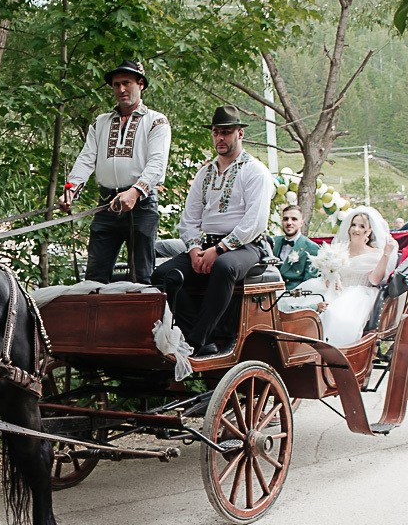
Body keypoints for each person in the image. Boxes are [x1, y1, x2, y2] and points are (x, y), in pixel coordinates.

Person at [150, 105, 272, 356]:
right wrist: (195, 250)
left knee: (224, 267)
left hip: (246, 245)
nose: (220, 138)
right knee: (162, 275)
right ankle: (197, 335)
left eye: (226, 132)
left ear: (240, 134)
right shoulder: (204, 173)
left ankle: (197, 340)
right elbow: (189, 219)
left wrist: (220, 249)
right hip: (207, 244)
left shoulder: (255, 171)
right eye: (216, 132)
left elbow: (255, 222)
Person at [59, 59, 171, 284]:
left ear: (140, 84)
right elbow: (86, 159)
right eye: (116, 84)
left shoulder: (156, 121)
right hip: (106, 205)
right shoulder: (100, 122)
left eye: (126, 83)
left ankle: (142, 309)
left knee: (141, 277)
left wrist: (135, 192)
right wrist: (71, 190)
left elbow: (157, 163)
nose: (121, 89)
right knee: (94, 278)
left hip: (141, 205)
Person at [317, 206, 398, 347]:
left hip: (359, 295)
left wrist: (386, 254)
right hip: (336, 291)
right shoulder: (338, 250)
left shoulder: (375, 253)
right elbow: (328, 277)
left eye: (361, 226)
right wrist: (331, 278)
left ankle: (337, 349)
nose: (356, 229)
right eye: (353, 225)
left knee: (334, 315)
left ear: (369, 231)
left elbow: (374, 280)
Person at [273, 204, 321, 290]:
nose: (289, 223)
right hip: (270, 292)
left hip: (294, 294)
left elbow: (309, 283)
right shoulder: (273, 242)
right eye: (285, 219)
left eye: (294, 219)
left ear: (301, 223)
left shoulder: (312, 248)